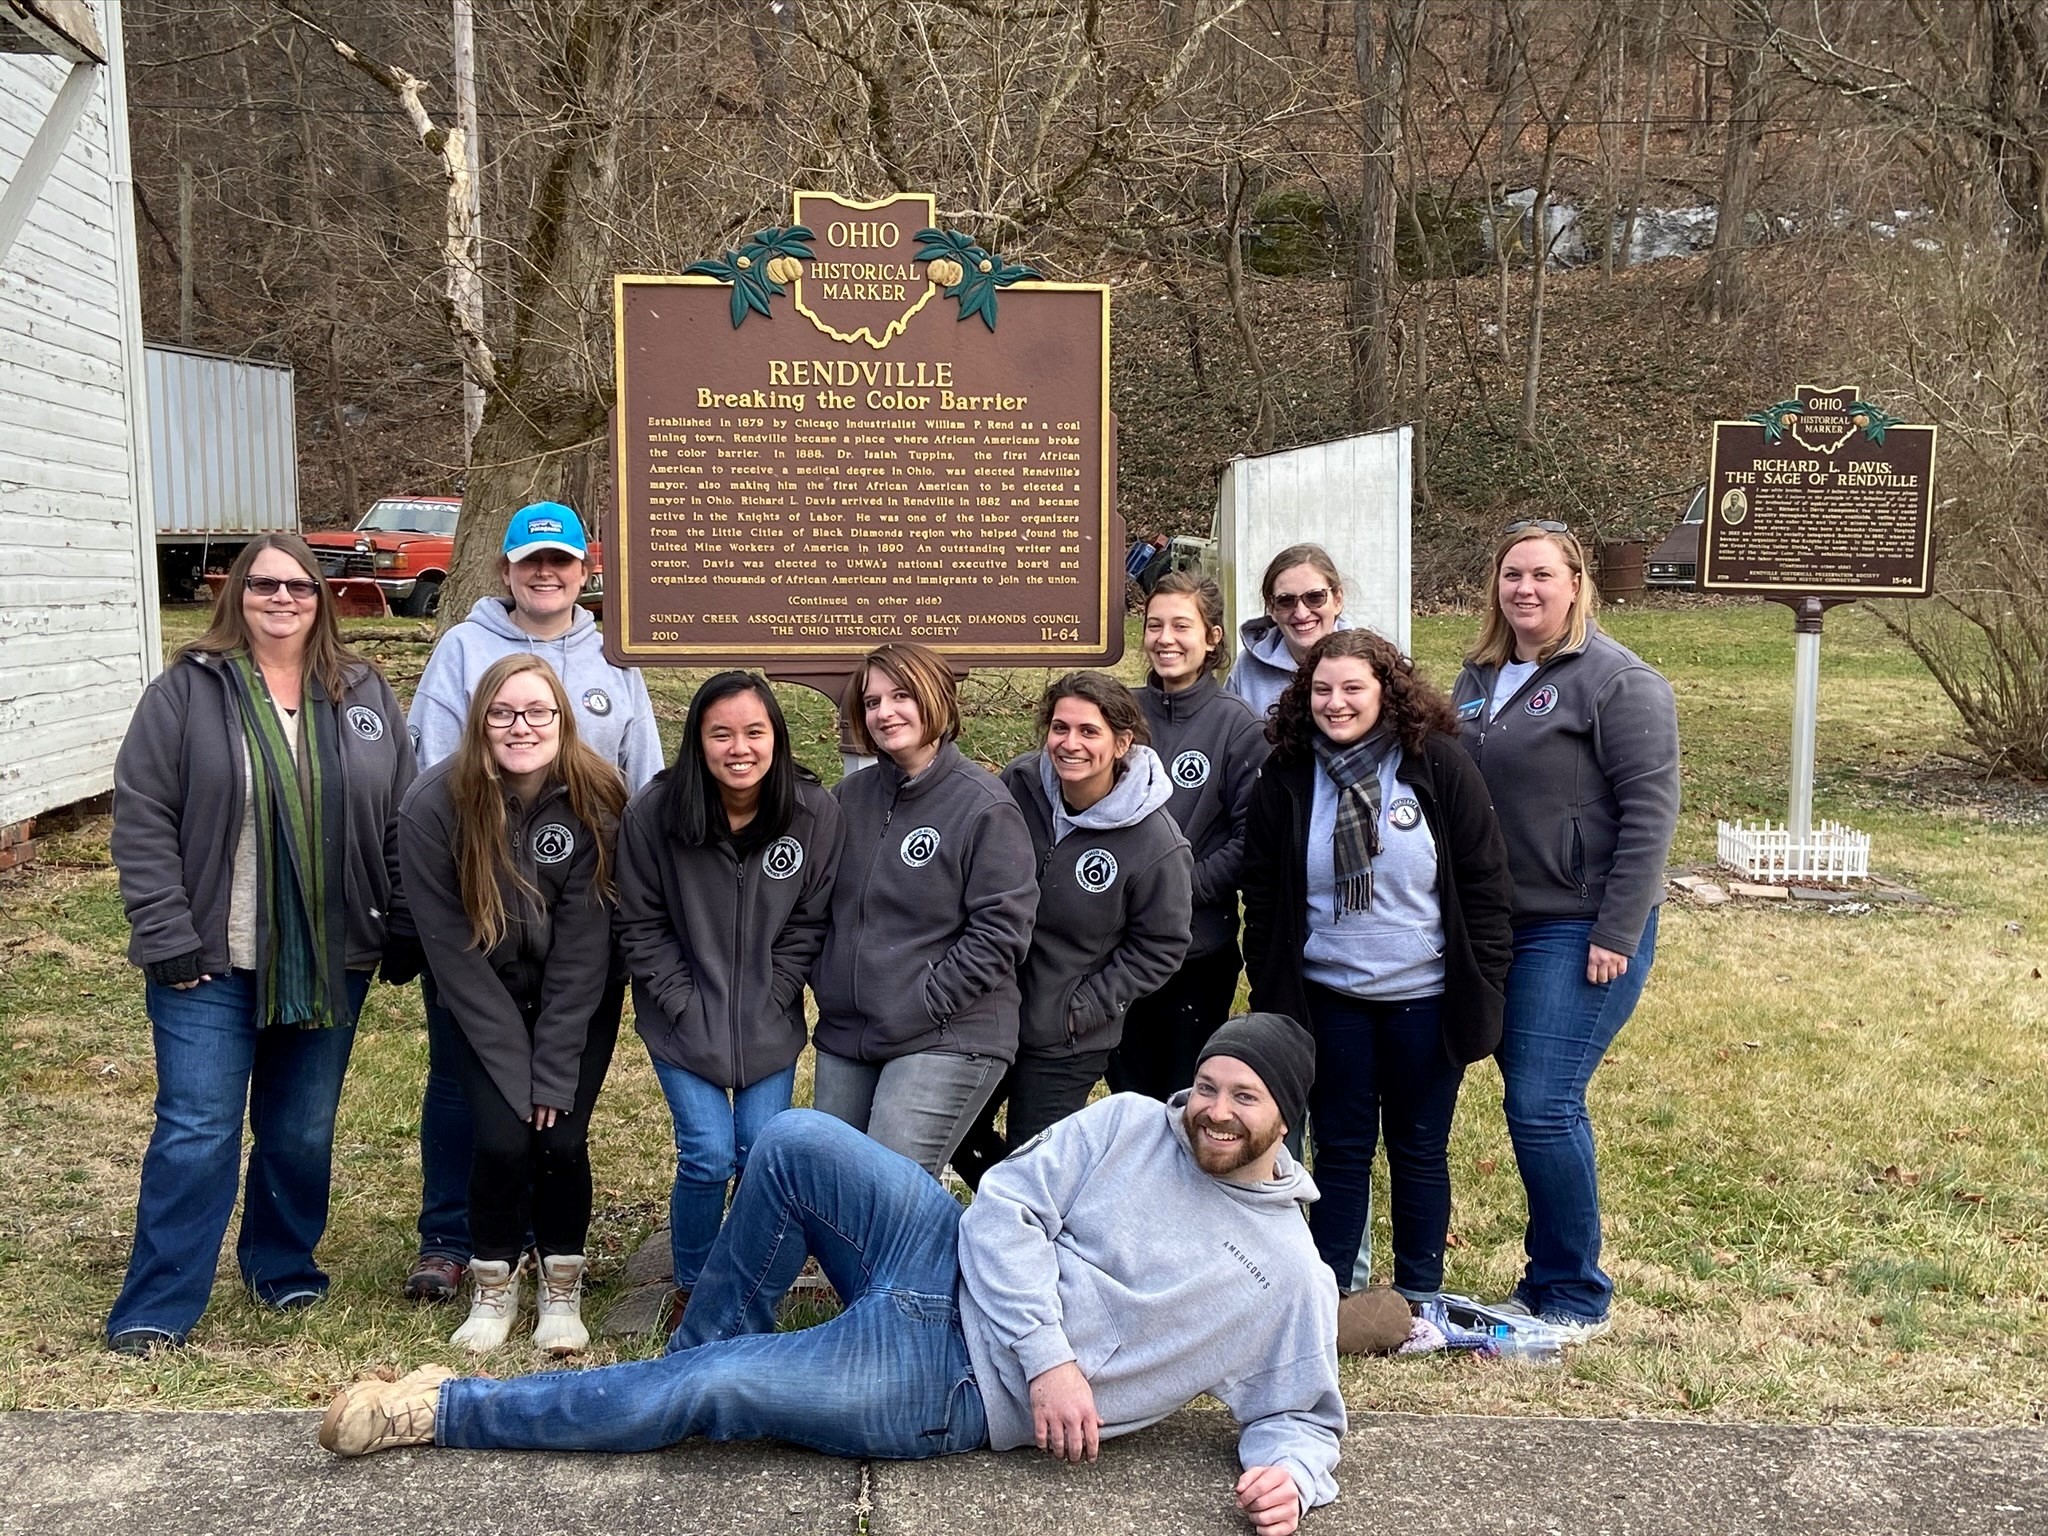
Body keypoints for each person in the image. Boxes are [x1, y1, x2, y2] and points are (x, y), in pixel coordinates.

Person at [320, 1014, 1344, 1536]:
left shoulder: (1284, 1277)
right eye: (1206, 1083)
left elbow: (1300, 1415)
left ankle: (442, 1411)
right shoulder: (1134, 1122)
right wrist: (1050, 1353)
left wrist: (1286, 1483)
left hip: (951, 1387)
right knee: (798, 1137)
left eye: (1238, 1097)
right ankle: (680, 1374)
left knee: (715, 1392)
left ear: (1282, 1119)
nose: (1207, 1108)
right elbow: (1007, 1205)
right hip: (938, 1256)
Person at [104, 535, 417, 1354]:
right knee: (198, 1126)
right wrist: (164, 928)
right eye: (265, 584)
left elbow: (399, 818)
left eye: (301, 586)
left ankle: (280, 1265)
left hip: (331, 953)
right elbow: (143, 819)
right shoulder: (186, 692)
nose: (283, 599)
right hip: (209, 956)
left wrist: (403, 917)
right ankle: (159, 1300)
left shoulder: (364, 692)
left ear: (323, 598)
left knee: (302, 1128)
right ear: (237, 594)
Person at [401, 500, 660, 1304]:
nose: (546, 574)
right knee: (463, 1084)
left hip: (582, 902)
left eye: (562, 562)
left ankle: (551, 1255)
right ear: (506, 569)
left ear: (586, 570)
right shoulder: (463, 648)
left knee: (554, 1108)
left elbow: (644, 777)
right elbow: (437, 766)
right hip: (480, 909)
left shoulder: (617, 659)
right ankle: (452, 1238)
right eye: (530, 561)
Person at [1242, 630, 1514, 1320]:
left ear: (1387, 692)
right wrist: (1275, 993)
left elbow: (1483, 884)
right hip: (1330, 996)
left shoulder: (1438, 766)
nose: (1336, 703)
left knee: (1420, 1148)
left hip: (1424, 997)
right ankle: (1335, 1296)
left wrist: (1485, 982)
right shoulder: (1288, 774)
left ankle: (1420, 1294)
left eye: (1353, 688)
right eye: (1322, 689)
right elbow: (1265, 893)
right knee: (1342, 1149)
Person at [1451, 521, 1680, 1339]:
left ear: (1577, 582)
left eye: (1544, 575)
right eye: (1513, 575)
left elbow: (1651, 818)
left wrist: (1617, 929)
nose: (1526, 590)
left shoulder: (1620, 682)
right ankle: (1543, 1279)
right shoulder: (1478, 677)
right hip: (1496, 924)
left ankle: (1577, 1295)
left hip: (1579, 925)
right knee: (1528, 1104)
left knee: (1545, 1104)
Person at [397, 654, 628, 1354]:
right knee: (500, 1139)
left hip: (576, 1001)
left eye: (537, 712)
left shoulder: (601, 797)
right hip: (479, 999)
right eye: (502, 712)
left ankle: (561, 1285)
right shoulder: (434, 806)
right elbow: (452, 956)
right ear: (479, 720)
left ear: (562, 717)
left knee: (559, 1139)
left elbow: (589, 946)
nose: (519, 726)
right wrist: (516, 1073)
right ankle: (494, 1283)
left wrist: (554, 1064)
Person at [616, 672, 843, 1314]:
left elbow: (811, 918)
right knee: (710, 1152)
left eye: (754, 732)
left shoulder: (810, 812)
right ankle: (693, 1282)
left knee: (759, 1152)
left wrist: (778, 987)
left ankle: (745, 1279)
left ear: (777, 737)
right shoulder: (655, 813)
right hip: (680, 1017)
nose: (738, 748)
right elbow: (640, 921)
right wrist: (680, 998)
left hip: (768, 1019)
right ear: (698, 742)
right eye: (721, 733)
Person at [952, 672, 1193, 1186]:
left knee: (1035, 1167)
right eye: (1060, 728)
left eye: (1089, 731)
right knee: (954, 1135)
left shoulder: (1155, 841)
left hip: (1066, 1037)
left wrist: (1082, 1008)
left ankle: (1044, 1240)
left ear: (1122, 741)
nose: (1070, 743)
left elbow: (1162, 944)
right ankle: (1005, 1214)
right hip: (989, 1013)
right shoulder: (1017, 787)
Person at [809, 642, 1038, 1176]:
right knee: (830, 1179)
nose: (884, 712)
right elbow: (818, 907)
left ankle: (926, 1260)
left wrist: (922, 1001)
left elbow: (1002, 932)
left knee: (889, 1181)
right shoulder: (849, 798)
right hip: (850, 1029)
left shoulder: (984, 806)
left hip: (946, 1031)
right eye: (871, 702)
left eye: (901, 696)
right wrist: (831, 981)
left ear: (935, 699)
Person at [1109, 572, 1269, 1100]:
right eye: (1154, 625)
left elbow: (1250, 840)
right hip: (1116, 948)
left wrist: (1176, 891)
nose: (1165, 638)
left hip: (1197, 951)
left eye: (1182, 625)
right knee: (1130, 1097)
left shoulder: (1237, 725)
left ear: (1212, 638)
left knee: (1183, 1097)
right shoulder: (1120, 714)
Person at [1223, 543, 1354, 723]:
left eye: (1315, 597)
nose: (1301, 613)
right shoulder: (1247, 669)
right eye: (1286, 601)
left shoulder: (1369, 662)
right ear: (1272, 608)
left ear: (1338, 600)